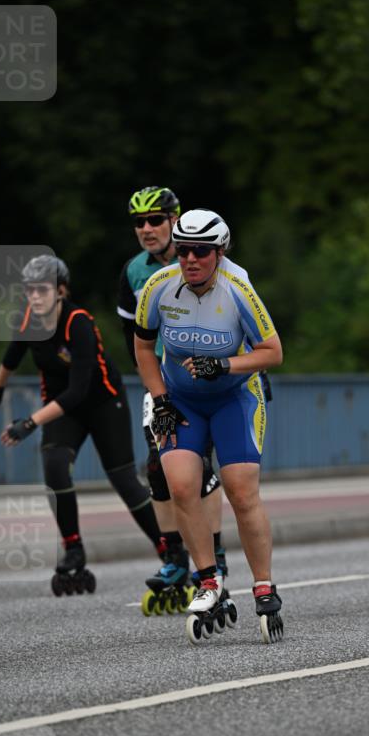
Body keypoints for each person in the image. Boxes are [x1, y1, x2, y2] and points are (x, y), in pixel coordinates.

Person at [134, 209, 284, 642]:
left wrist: (225, 364)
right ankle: (209, 582)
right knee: (180, 485)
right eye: (183, 251)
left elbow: (273, 352)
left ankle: (264, 585)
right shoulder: (157, 287)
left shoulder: (238, 288)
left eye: (201, 251)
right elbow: (143, 348)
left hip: (234, 398)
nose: (191, 259)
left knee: (240, 489)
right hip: (181, 400)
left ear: (220, 252)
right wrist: (159, 398)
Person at [0, 254, 162, 593]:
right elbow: (11, 356)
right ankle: (73, 548)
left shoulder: (77, 323)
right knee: (54, 465)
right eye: (29, 291)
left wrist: (29, 423)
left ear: (61, 291)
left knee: (123, 478)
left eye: (42, 290)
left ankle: (167, 548)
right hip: (62, 409)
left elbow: (78, 390)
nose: (34, 297)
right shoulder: (28, 321)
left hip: (101, 402)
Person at [117, 186, 228, 609]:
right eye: (139, 222)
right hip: (163, 381)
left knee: (199, 466)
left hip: (211, 381)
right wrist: (152, 385)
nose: (147, 229)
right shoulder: (133, 272)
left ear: (173, 220)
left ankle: (214, 555)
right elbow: (135, 338)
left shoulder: (207, 256)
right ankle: (175, 558)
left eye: (155, 220)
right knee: (157, 468)